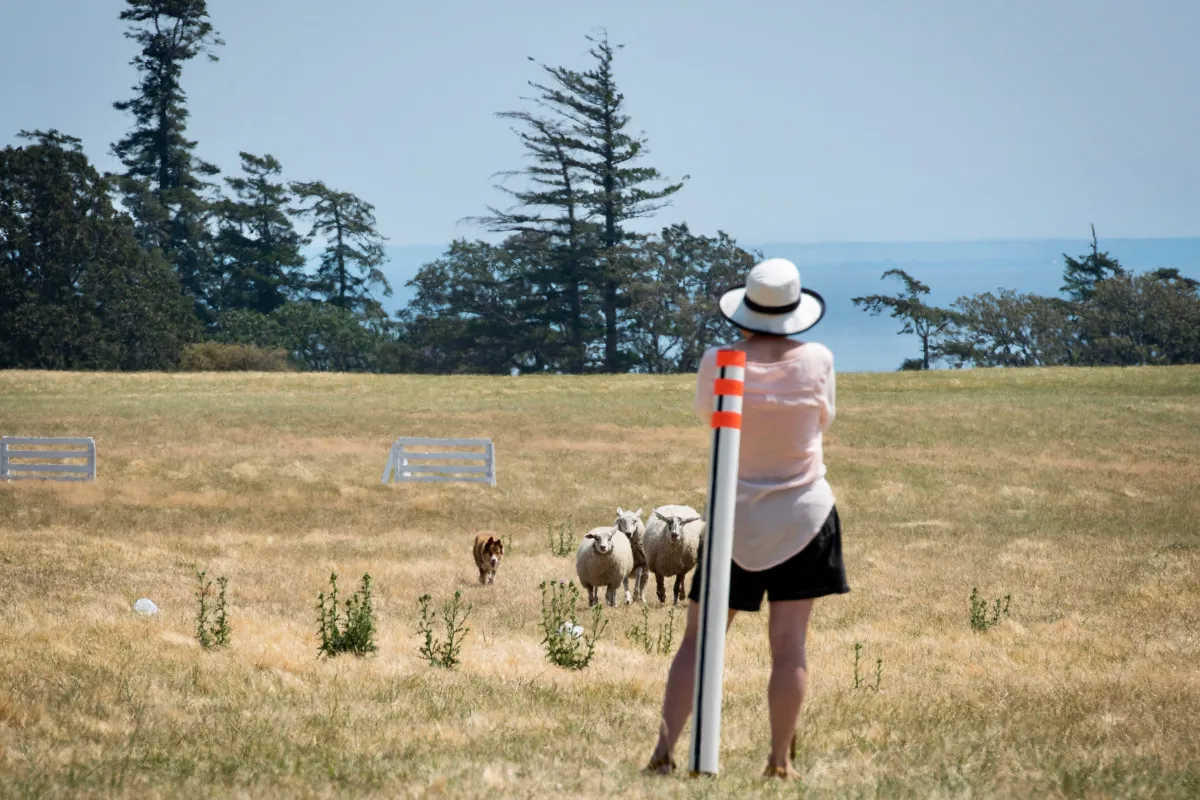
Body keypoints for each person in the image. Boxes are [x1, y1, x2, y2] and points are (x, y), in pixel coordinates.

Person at [644, 257, 849, 781]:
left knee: (699, 638)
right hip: (804, 516)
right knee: (789, 645)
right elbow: (823, 416)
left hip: (734, 518)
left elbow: (706, 414)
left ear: (746, 308)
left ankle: (665, 751)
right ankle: (779, 761)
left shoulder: (720, 360)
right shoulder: (818, 359)